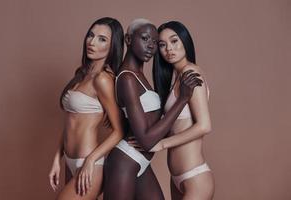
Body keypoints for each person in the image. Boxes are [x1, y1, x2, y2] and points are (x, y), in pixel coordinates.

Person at [103, 19, 203, 200]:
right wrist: (182, 99)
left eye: (155, 42)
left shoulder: (139, 76)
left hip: (141, 162)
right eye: (144, 38)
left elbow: (149, 124)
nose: (151, 46)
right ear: (128, 40)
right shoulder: (127, 79)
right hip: (125, 161)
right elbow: (147, 141)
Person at [48, 17, 124, 200]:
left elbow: (119, 131)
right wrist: (56, 159)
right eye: (91, 35)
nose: (92, 42)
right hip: (70, 161)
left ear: (112, 47)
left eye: (102, 39)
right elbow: (69, 122)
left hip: (89, 163)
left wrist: (91, 160)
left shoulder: (103, 80)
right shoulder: (81, 74)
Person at [152, 21, 214, 200]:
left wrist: (163, 144)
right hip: (178, 178)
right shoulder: (177, 79)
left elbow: (204, 126)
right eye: (162, 45)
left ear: (185, 42)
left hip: (195, 177)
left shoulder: (191, 73)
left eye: (174, 41)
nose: (168, 49)